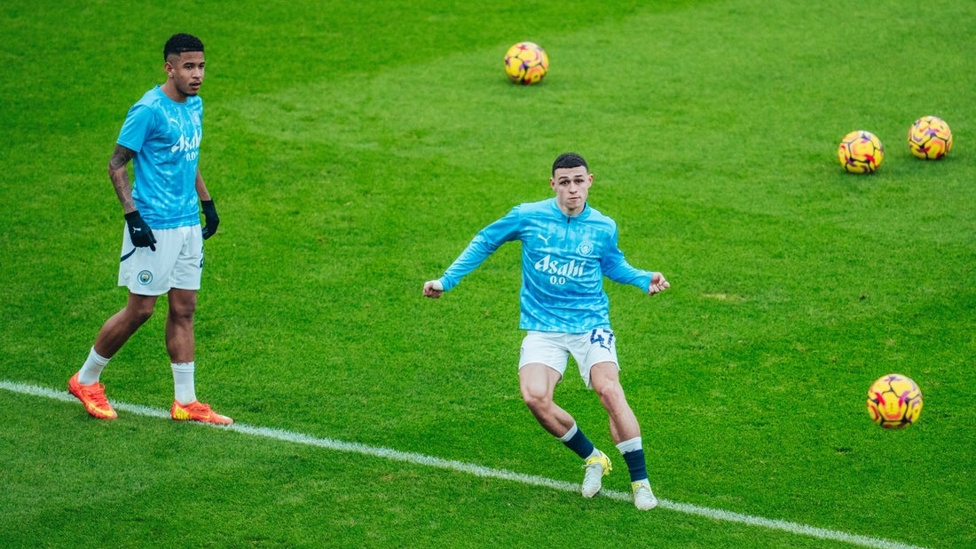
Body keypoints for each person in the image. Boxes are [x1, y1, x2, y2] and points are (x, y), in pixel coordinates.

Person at [423, 152, 669, 510]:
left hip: (589, 325)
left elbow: (613, 264)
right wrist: (446, 280)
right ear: (553, 184)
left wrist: (643, 278)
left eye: (579, 181)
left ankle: (640, 481)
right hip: (544, 327)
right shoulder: (528, 216)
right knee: (535, 396)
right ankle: (593, 457)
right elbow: (485, 241)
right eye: (565, 182)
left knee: (609, 390)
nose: (573, 189)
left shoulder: (603, 226)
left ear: (590, 182)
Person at [68, 33, 231, 425]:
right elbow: (116, 164)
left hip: (188, 225)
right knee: (140, 309)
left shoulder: (195, 106)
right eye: (189, 67)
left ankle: (185, 402)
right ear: (169, 67)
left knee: (184, 308)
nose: (197, 75)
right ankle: (86, 379)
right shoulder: (148, 110)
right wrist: (132, 216)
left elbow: (187, 158)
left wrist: (206, 204)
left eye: (202, 66)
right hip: (154, 225)